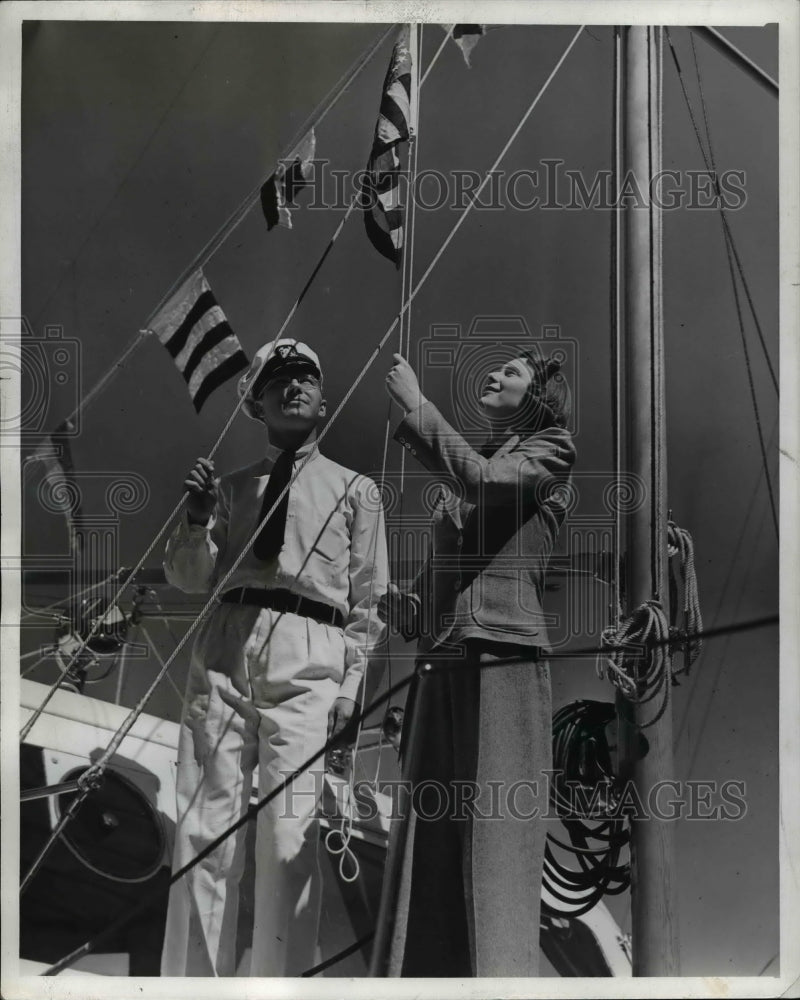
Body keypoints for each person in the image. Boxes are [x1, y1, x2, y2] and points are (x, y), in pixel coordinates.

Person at [160, 338, 388, 977]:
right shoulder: (230, 490)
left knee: (290, 836)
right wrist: (199, 521)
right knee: (205, 832)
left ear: (324, 399)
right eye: (278, 379)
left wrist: (350, 687)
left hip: (311, 653)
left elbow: (369, 601)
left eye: (305, 376)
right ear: (256, 405)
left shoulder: (356, 491)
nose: (293, 385)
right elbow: (186, 576)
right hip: (226, 645)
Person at [379, 347, 576, 977]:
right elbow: (438, 588)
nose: (492, 375)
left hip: (504, 653)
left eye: (511, 372)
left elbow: (485, 483)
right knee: (425, 844)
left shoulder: (551, 448)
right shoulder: (485, 465)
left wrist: (417, 408)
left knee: (495, 840)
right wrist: (403, 604)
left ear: (541, 395)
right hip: (444, 659)